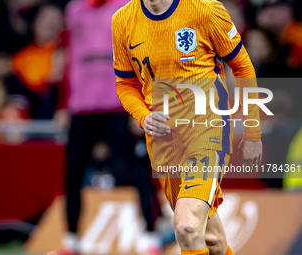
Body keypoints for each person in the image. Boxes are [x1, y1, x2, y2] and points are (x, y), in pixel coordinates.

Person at [112, 0, 263, 254]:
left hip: (207, 129)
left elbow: (242, 66)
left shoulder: (205, 9)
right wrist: (142, 116)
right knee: (210, 238)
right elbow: (124, 84)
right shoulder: (122, 20)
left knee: (187, 228)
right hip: (163, 142)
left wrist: (252, 132)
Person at [49, 0, 163, 254]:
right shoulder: (74, 10)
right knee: (72, 176)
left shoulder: (128, 6)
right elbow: (69, 58)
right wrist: (63, 104)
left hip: (119, 106)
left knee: (138, 172)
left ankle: (151, 239)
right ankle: (72, 242)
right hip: (81, 108)